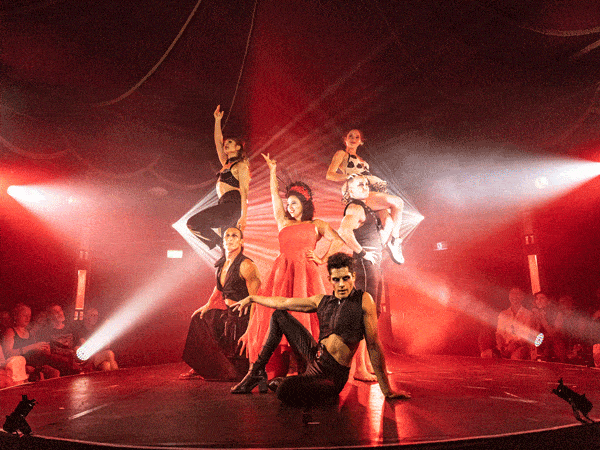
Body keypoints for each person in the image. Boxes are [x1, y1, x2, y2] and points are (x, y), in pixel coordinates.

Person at [231, 252, 411, 407]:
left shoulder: (363, 300)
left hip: (331, 377)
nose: (341, 284)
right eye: (336, 279)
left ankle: (293, 384)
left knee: (283, 390)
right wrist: (253, 297)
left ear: (353, 277)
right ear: (330, 280)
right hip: (315, 357)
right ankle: (257, 371)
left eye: (345, 278)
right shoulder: (322, 301)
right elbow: (284, 302)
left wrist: (387, 391)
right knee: (279, 315)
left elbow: (373, 345)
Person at [246, 154, 345, 379]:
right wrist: (272, 171)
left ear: (304, 204)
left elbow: (337, 240)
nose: (289, 207)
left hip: (306, 275)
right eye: (288, 204)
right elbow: (274, 196)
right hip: (283, 273)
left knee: (306, 317)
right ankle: (288, 366)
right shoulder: (283, 222)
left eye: (294, 203)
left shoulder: (315, 224)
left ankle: (306, 364)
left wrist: (322, 258)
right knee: (283, 314)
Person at [180, 227, 261, 381]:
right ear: (223, 241)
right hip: (228, 314)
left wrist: (250, 329)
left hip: (242, 319)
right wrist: (208, 305)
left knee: (234, 374)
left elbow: (255, 300)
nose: (230, 238)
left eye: (234, 236)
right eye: (227, 236)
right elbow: (218, 287)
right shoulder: (223, 264)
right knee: (200, 318)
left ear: (241, 241)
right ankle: (199, 367)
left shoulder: (246, 265)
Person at [336, 174, 389, 381]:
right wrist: (363, 253)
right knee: (364, 316)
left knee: (371, 316)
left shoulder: (365, 207)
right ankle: (359, 368)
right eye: (360, 184)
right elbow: (343, 230)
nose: (365, 186)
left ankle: (364, 365)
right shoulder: (355, 207)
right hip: (365, 266)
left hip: (371, 266)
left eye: (366, 183)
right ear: (349, 191)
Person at [326, 129, 405, 264]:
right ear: (345, 139)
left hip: (370, 192)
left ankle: (378, 251)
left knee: (388, 223)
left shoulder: (363, 161)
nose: (353, 138)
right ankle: (395, 240)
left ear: (361, 142)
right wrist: (349, 176)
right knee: (398, 202)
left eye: (357, 137)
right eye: (350, 136)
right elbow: (330, 174)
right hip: (358, 192)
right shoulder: (342, 154)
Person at [186, 105, 250, 252]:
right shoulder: (226, 163)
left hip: (233, 206)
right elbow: (217, 141)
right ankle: (226, 258)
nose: (226, 145)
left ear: (238, 148)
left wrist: (244, 216)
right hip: (224, 204)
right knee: (229, 246)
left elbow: (245, 192)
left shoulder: (240, 166)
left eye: (230, 143)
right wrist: (217, 120)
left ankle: (221, 245)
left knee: (194, 223)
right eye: (226, 143)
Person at [2, 303, 61, 380]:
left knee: (55, 372)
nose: (27, 318)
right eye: (24, 315)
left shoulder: (28, 332)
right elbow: (7, 354)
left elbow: (34, 351)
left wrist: (43, 349)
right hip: (21, 365)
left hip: (36, 363)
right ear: (16, 316)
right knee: (42, 375)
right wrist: (32, 347)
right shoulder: (10, 331)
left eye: (29, 316)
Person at [495, 288, 534, 360]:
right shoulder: (503, 314)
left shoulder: (528, 314)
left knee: (515, 358)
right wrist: (501, 345)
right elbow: (499, 332)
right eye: (512, 294)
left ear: (522, 297)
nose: (514, 296)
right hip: (505, 346)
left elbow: (526, 335)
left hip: (521, 346)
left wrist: (515, 345)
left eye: (517, 294)